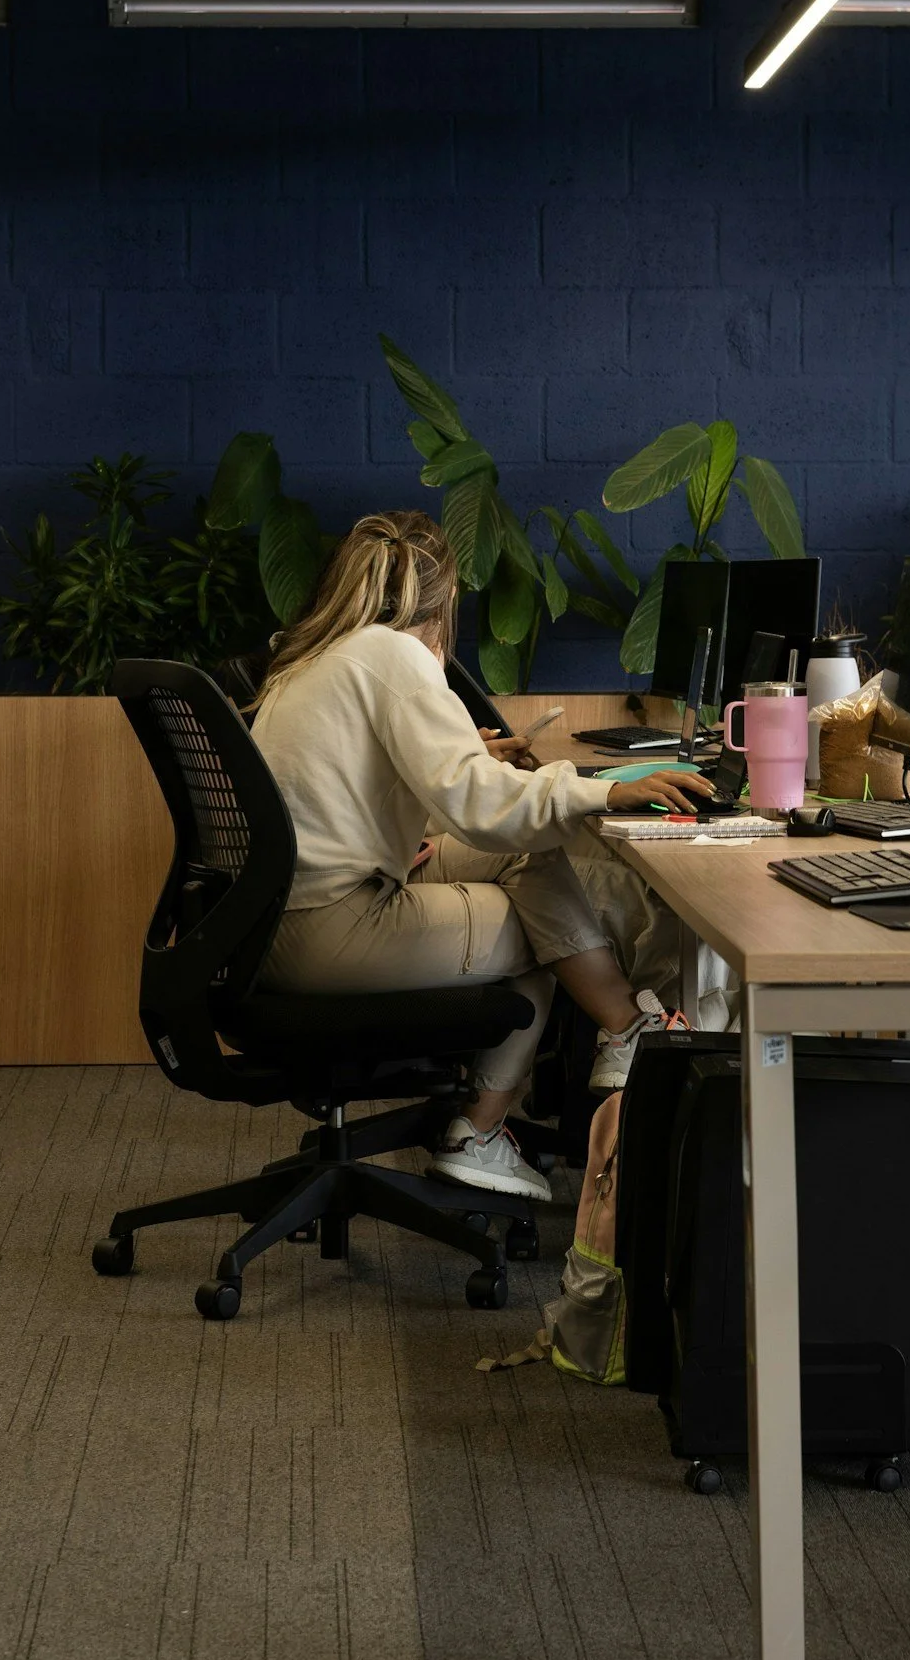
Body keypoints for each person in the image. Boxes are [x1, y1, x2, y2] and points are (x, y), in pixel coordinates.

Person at [249, 510, 712, 1206]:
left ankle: (618, 1033)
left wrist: (473, 756)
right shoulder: (393, 655)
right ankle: (491, 1124)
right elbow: (478, 809)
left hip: (283, 923)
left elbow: (369, 783)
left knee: (530, 868)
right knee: (533, 916)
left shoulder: (319, 656)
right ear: (442, 601)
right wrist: (606, 791)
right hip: (331, 930)